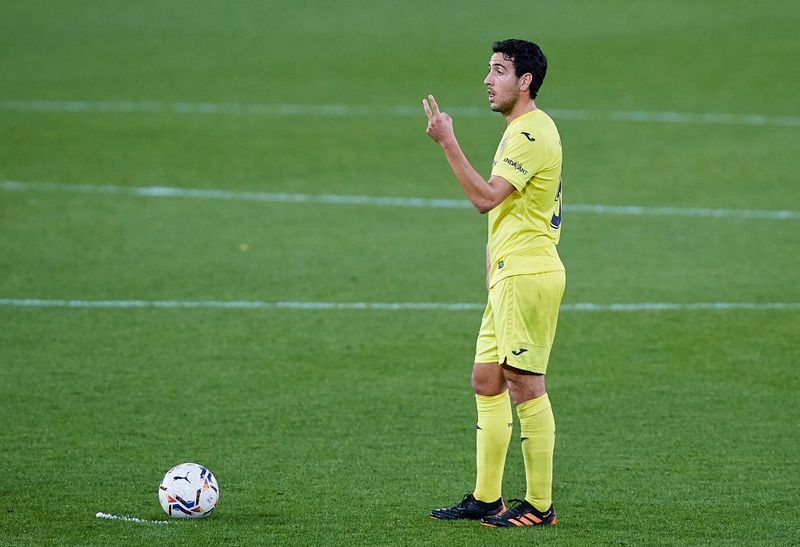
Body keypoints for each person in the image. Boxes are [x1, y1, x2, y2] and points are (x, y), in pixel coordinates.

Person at [423, 39, 565, 528]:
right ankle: (488, 498)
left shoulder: (530, 134)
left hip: (528, 274)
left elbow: (485, 198)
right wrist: (491, 266)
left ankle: (540, 506)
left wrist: (448, 142)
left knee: (525, 383)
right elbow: (505, 210)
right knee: (487, 379)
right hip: (507, 274)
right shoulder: (518, 131)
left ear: (525, 81)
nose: (487, 79)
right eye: (489, 69)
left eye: (499, 70)